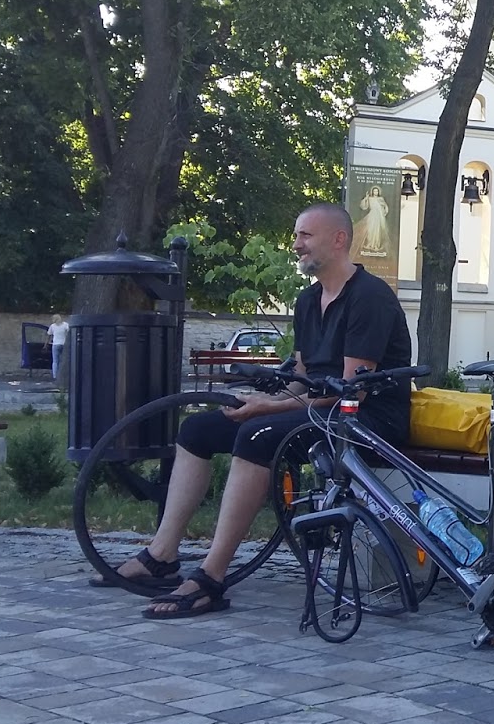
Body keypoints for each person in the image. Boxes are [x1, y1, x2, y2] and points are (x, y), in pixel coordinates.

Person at [91, 202, 413, 619]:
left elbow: (352, 393)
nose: (295, 244)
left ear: (339, 240)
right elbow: (303, 377)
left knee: (257, 435)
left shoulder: (369, 298)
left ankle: (211, 578)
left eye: (305, 235)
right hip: (319, 411)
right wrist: (266, 402)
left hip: (366, 421)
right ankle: (161, 556)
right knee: (198, 430)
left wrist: (271, 411)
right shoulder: (308, 300)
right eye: (296, 235)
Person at [356, 185, 389, 256]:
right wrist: (366, 198)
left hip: (379, 216)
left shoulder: (381, 199)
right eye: (374, 191)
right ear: (372, 192)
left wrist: (383, 211)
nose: (375, 192)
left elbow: (385, 207)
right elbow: (364, 206)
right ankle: (370, 244)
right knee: (370, 230)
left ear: (378, 192)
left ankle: (376, 245)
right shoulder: (370, 199)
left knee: (377, 231)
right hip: (372, 215)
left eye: (376, 191)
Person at [47, 314, 69, 382]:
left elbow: (49, 335)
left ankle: (55, 376)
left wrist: (46, 344)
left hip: (55, 344)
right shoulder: (65, 325)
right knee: (62, 360)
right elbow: (68, 333)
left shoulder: (52, 326)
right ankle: (62, 375)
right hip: (63, 344)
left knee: (55, 361)